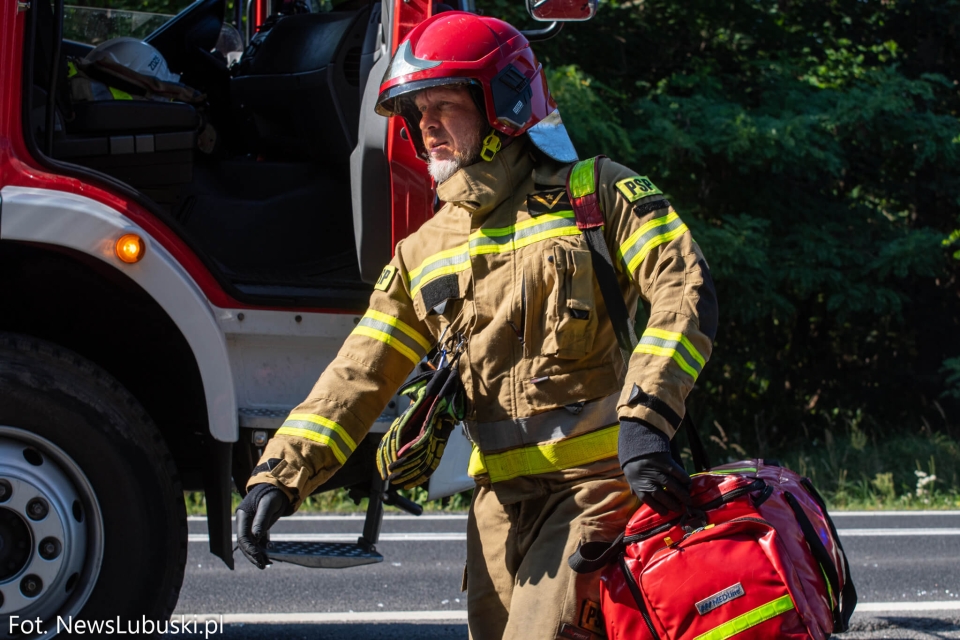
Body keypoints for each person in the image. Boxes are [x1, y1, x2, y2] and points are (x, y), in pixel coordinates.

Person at [236, 11, 718, 640]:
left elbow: (685, 289)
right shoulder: (421, 251)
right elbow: (356, 375)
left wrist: (647, 423)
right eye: (417, 109)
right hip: (495, 509)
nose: (427, 125)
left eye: (445, 104)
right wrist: (280, 474)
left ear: (503, 107)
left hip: (594, 493)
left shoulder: (595, 193)